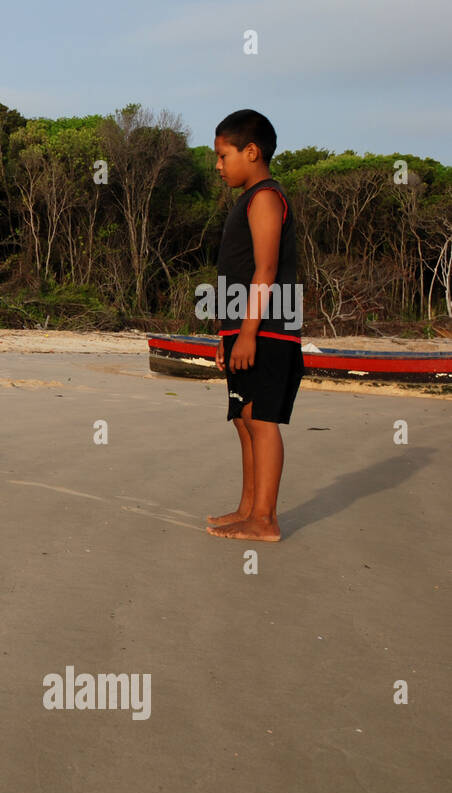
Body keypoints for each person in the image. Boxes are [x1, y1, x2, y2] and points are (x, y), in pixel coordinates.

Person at [205, 109, 304, 542]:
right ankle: (249, 509)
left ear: (251, 151)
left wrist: (247, 332)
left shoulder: (265, 196)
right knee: (244, 417)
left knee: (262, 419)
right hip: (245, 327)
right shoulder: (247, 199)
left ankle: (265, 519)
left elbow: (265, 269)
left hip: (268, 328)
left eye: (224, 155)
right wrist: (227, 335)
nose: (218, 165)